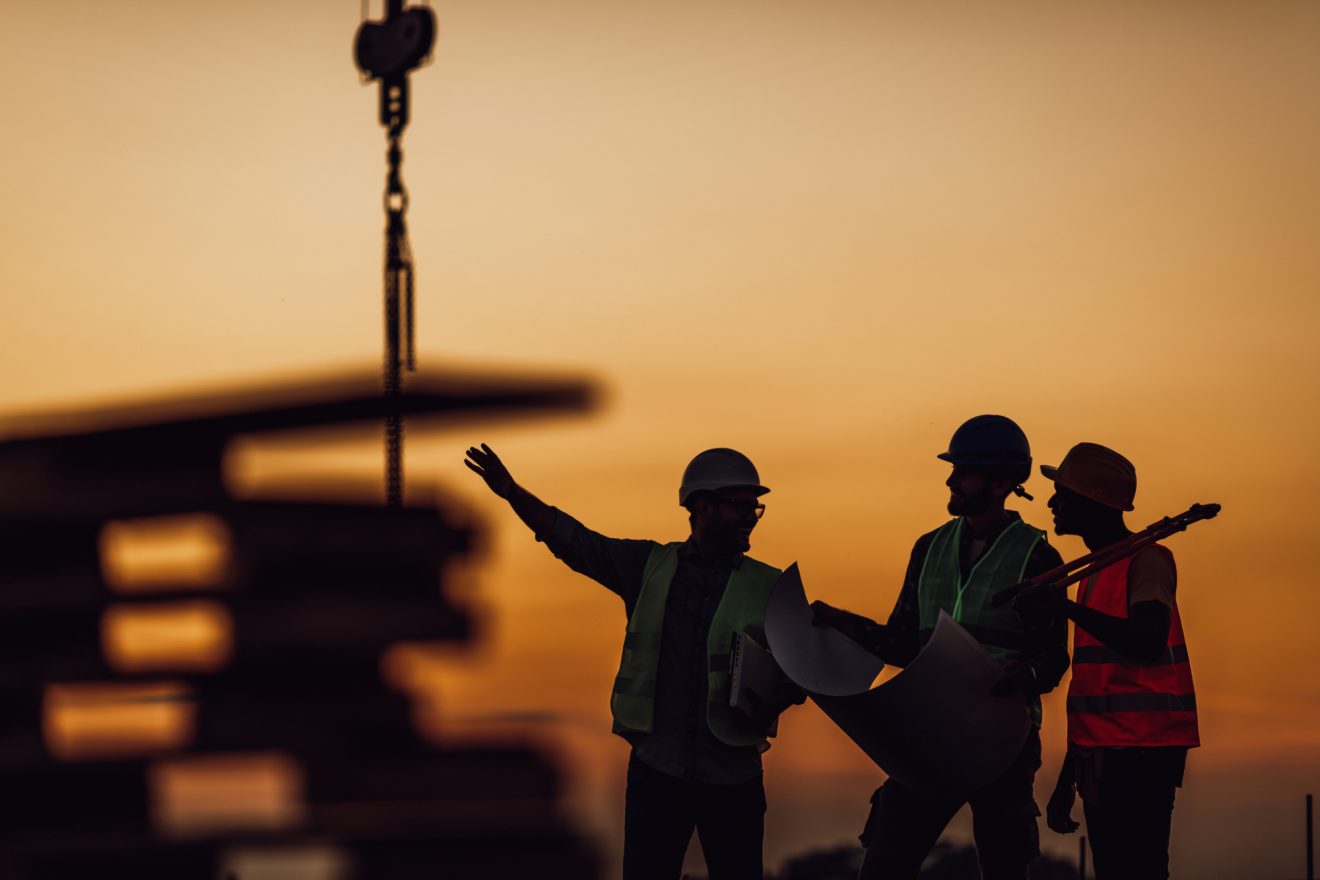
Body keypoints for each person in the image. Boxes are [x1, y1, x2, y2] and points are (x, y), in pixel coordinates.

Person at [463, 443, 804, 880]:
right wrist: (513, 493)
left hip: (732, 777)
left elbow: (805, 671)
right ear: (702, 507)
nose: (748, 517)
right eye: (739, 506)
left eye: (754, 509)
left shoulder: (772, 587)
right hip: (658, 775)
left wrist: (775, 699)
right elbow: (574, 541)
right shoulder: (648, 567)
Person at [812, 415, 1069, 880]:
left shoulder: (1038, 557)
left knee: (1004, 863)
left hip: (1002, 740)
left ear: (1000, 482)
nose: (951, 480)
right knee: (886, 860)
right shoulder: (928, 548)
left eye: (963, 471)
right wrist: (841, 623)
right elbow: (903, 643)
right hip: (930, 733)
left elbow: (1052, 660)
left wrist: (1026, 675)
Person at [1013, 443, 1198, 880]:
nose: (1053, 503)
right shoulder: (1097, 571)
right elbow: (1097, 689)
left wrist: (1064, 609)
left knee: (1139, 869)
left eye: (1063, 494)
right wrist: (1067, 780)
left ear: (1091, 501)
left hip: (1143, 752)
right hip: (1106, 753)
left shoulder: (1147, 560)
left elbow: (1147, 642)